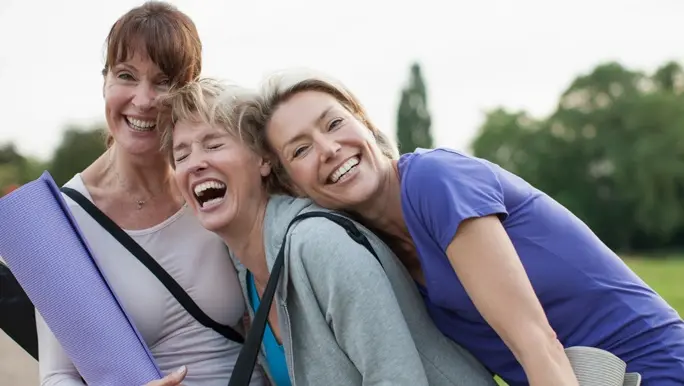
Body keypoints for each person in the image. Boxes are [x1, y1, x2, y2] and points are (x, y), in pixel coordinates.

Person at [236, 69, 684, 386]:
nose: (329, 148)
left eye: (334, 123)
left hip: (654, 368)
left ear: (366, 124)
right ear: (290, 183)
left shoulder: (436, 181)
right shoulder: (369, 249)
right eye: (300, 150)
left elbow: (536, 342)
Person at [156, 77, 499, 386]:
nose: (195, 163)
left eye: (214, 144)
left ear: (263, 160)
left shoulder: (319, 245)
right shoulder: (244, 269)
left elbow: (397, 378)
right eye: (181, 155)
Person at [36, 3, 264, 386]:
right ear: (105, 81)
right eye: (126, 76)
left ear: (188, 91)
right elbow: (58, 374)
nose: (143, 100)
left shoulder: (212, 188)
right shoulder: (60, 221)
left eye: (163, 82)